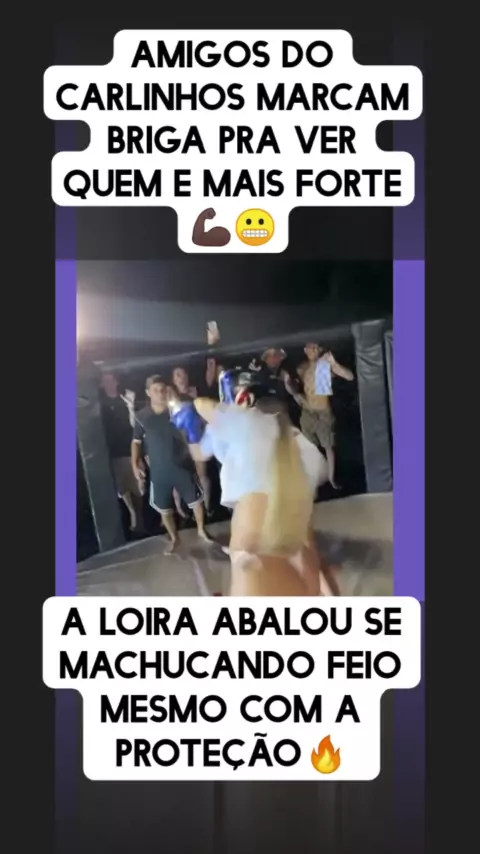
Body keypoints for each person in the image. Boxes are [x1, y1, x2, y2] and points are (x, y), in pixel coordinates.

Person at [194, 384, 336, 597]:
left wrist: (231, 409)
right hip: (289, 541)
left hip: (251, 547)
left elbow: (200, 408)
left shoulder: (245, 423)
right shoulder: (300, 445)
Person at [131, 375, 215, 555]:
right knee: (164, 508)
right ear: (148, 393)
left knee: (196, 501)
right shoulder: (141, 417)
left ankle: (201, 530)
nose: (160, 393)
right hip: (159, 470)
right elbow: (136, 441)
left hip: (182, 465)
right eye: (155, 390)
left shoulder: (177, 410)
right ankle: (174, 538)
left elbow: (194, 429)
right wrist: (135, 463)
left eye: (163, 389)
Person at [286, 343, 354, 489]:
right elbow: (295, 388)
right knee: (308, 446)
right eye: (310, 347)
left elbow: (349, 376)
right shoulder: (302, 368)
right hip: (308, 411)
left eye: (316, 347)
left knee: (328, 446)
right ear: (305, 350)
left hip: (323, 412)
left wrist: (334, 364)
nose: (313, 350)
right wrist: (293, 390)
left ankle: (331, 478)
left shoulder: (325, 366)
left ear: (321, 349)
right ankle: (310, 477)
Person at [99, 371, 143, 532]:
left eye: (110, 379)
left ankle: (141, 520)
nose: (108, 383)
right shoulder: (100, 403)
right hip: (113, 452)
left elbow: (135, 424)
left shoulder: (125, 398)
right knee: (122, 487)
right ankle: (133, 515)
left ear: (116, 381)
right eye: (105, 380)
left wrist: (131, 407)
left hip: (130, 448)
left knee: (138, 486)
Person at [171, 366, 212, 511]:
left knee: (202, 474)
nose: (181, 378)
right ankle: (180, 510)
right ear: (173, 380)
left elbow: (205, 415)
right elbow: (170, 419)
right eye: (177, 375)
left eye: (183, 374)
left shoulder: (196, 393)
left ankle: (207, 507)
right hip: (179, 441)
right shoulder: (171, 397)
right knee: (179, 476)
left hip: (197, 438)